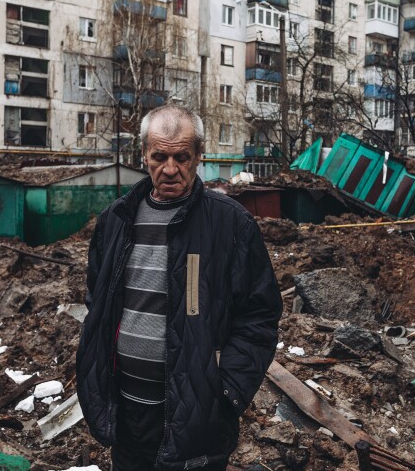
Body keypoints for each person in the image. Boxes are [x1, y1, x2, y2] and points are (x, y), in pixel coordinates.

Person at [77, 105, 282, 471]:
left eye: (181, 157)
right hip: (125, 412)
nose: (170, 168)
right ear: (143, 155)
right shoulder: (115, 221)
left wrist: (226, 390)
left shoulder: (230, 224)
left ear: (199, 156)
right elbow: (99, 301)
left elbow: (260, 315)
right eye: (159, 156)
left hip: (197, 419)